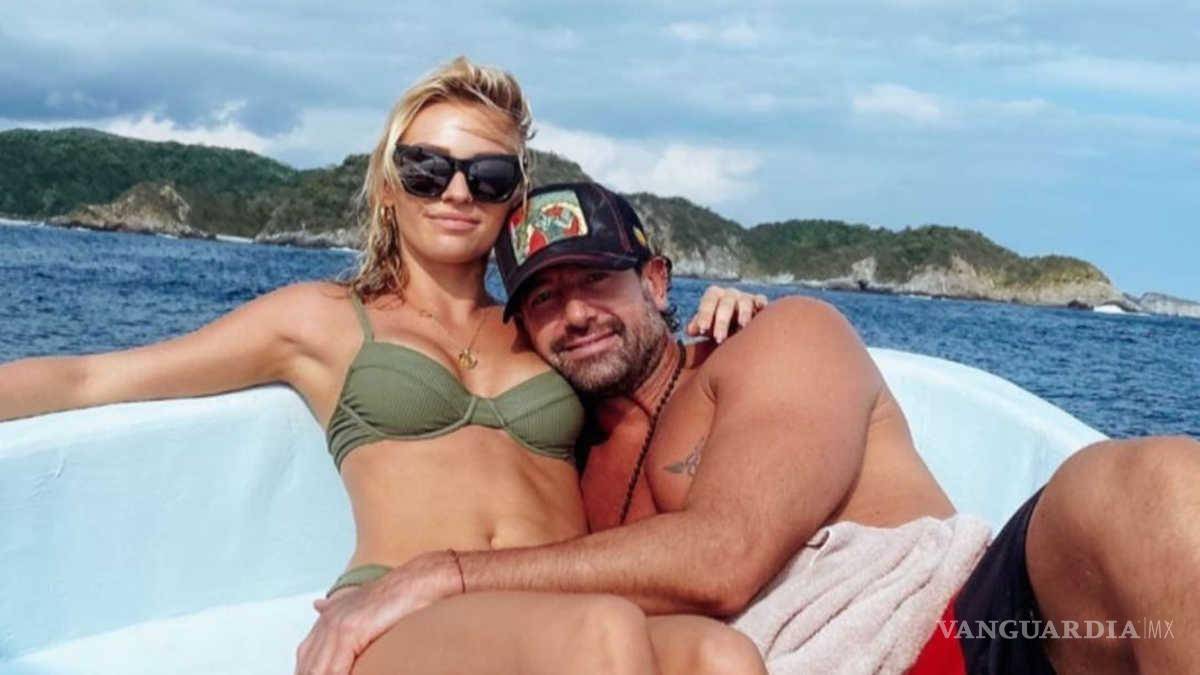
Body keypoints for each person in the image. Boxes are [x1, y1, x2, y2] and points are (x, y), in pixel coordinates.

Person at [0, 59, 770, 675]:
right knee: (603, 632)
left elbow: (649, 372)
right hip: (402, 615)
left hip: (552, 601)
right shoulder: (324, 318)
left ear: (515, 199)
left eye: (488, 175)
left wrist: (725, 317)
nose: (457, 191)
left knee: (722, 655)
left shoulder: (541, 325)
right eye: (427, 167)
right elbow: (93, 378)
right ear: (388, 185)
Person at [312, 180, 1200, 674]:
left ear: (656, 281)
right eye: (543, 298)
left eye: (596, 281)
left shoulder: (778, 341)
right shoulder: (570, 463)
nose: (574, 313)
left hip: (968, 636)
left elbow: (726, 555)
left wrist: (445, 574)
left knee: (1146, 489)